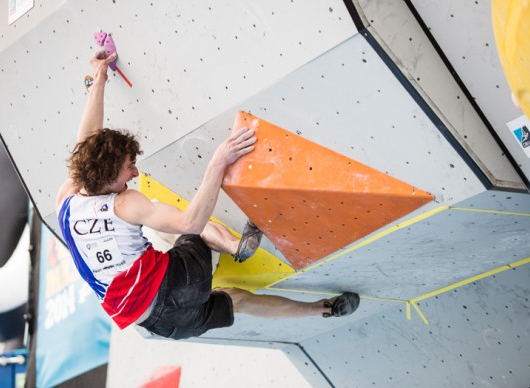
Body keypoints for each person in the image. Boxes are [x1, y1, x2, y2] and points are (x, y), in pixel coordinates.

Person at [55, 50, 360, 340]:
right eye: (129, 168)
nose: (135, 173)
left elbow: (87, 142)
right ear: (108, 178)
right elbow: (191, 222)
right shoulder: (125, 203)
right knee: (183, 233)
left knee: (237, 301)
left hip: (162, 323)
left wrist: (100, 80)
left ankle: (326, 308)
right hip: (181, 282)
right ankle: (233, 245)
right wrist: (219, 160)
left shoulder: (66, 201)